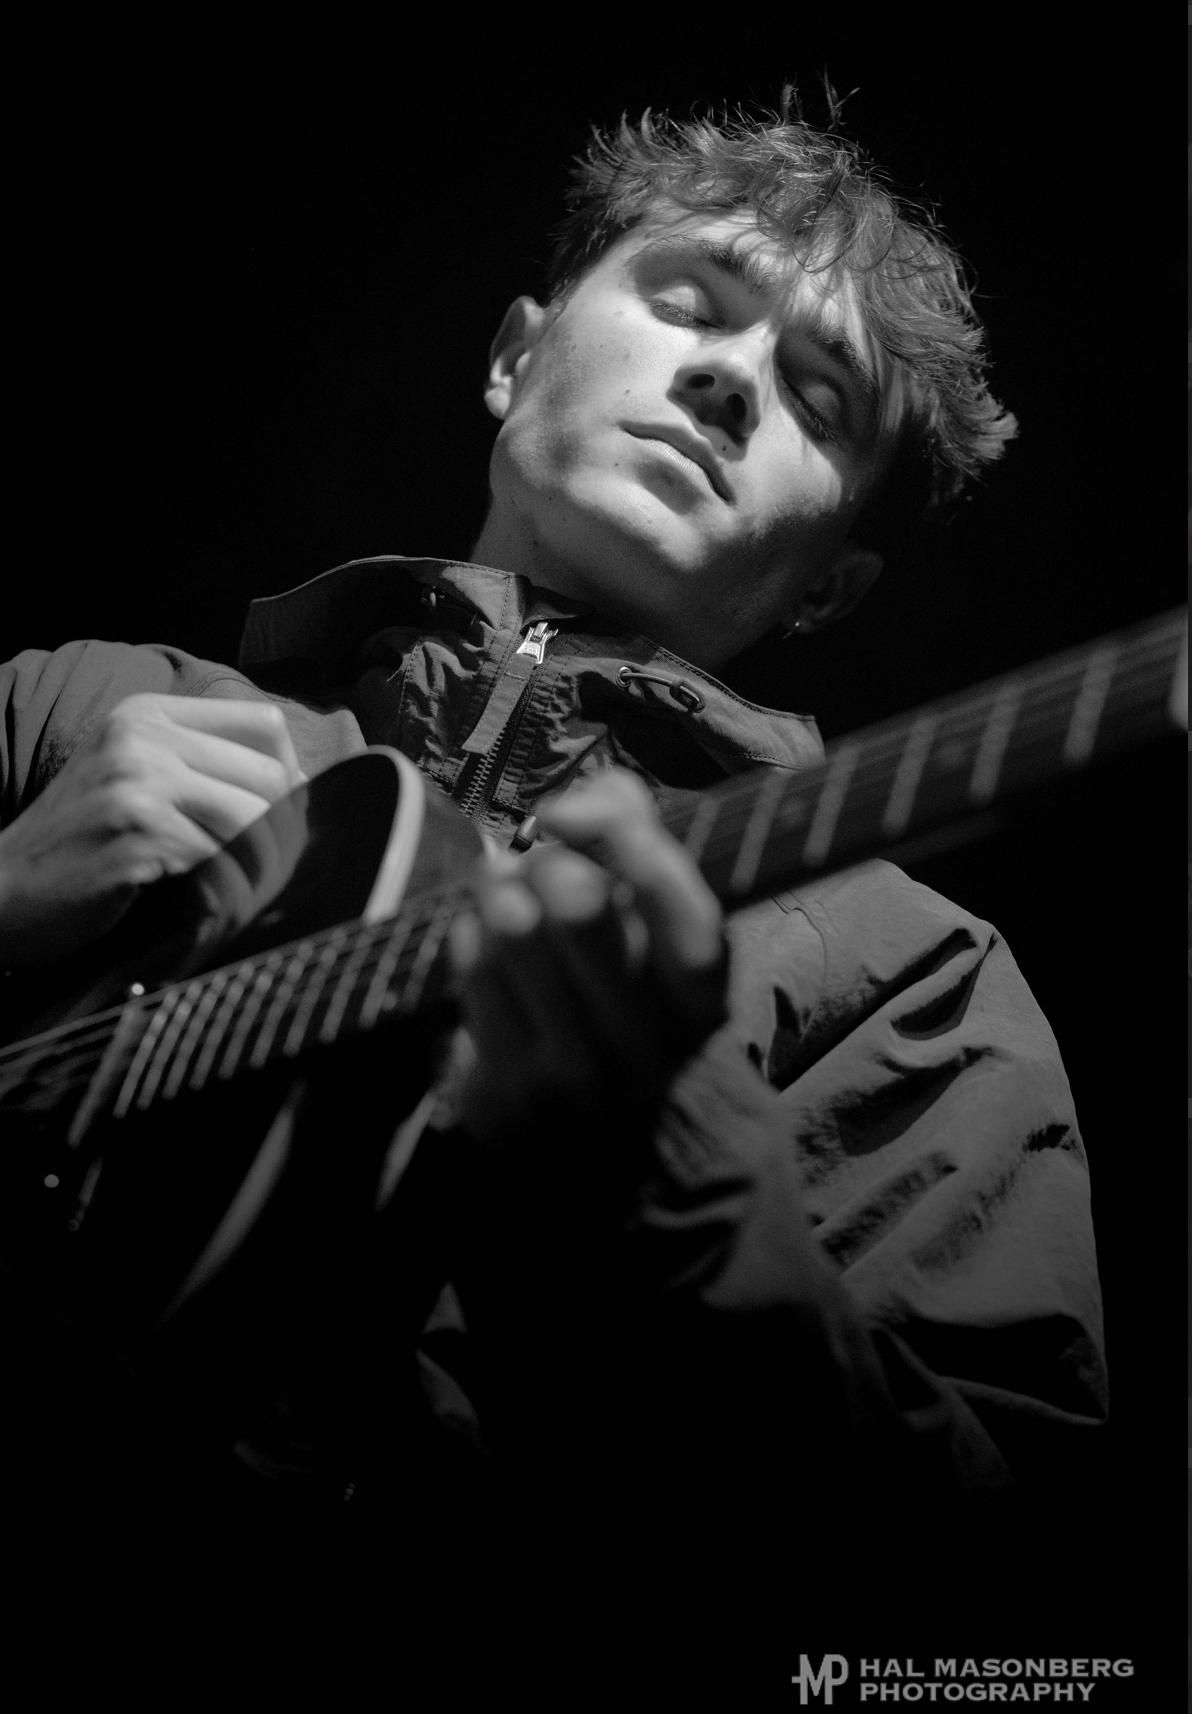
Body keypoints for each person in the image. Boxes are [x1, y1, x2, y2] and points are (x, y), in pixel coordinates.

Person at [0, 98, 1106, 1668]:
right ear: (516, 356)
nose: (729, 379)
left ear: (832, 585)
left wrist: (673, 1174)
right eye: (692, 302)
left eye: (818, 394)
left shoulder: (918, 976)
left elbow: (984, 1626)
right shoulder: (81, 708)